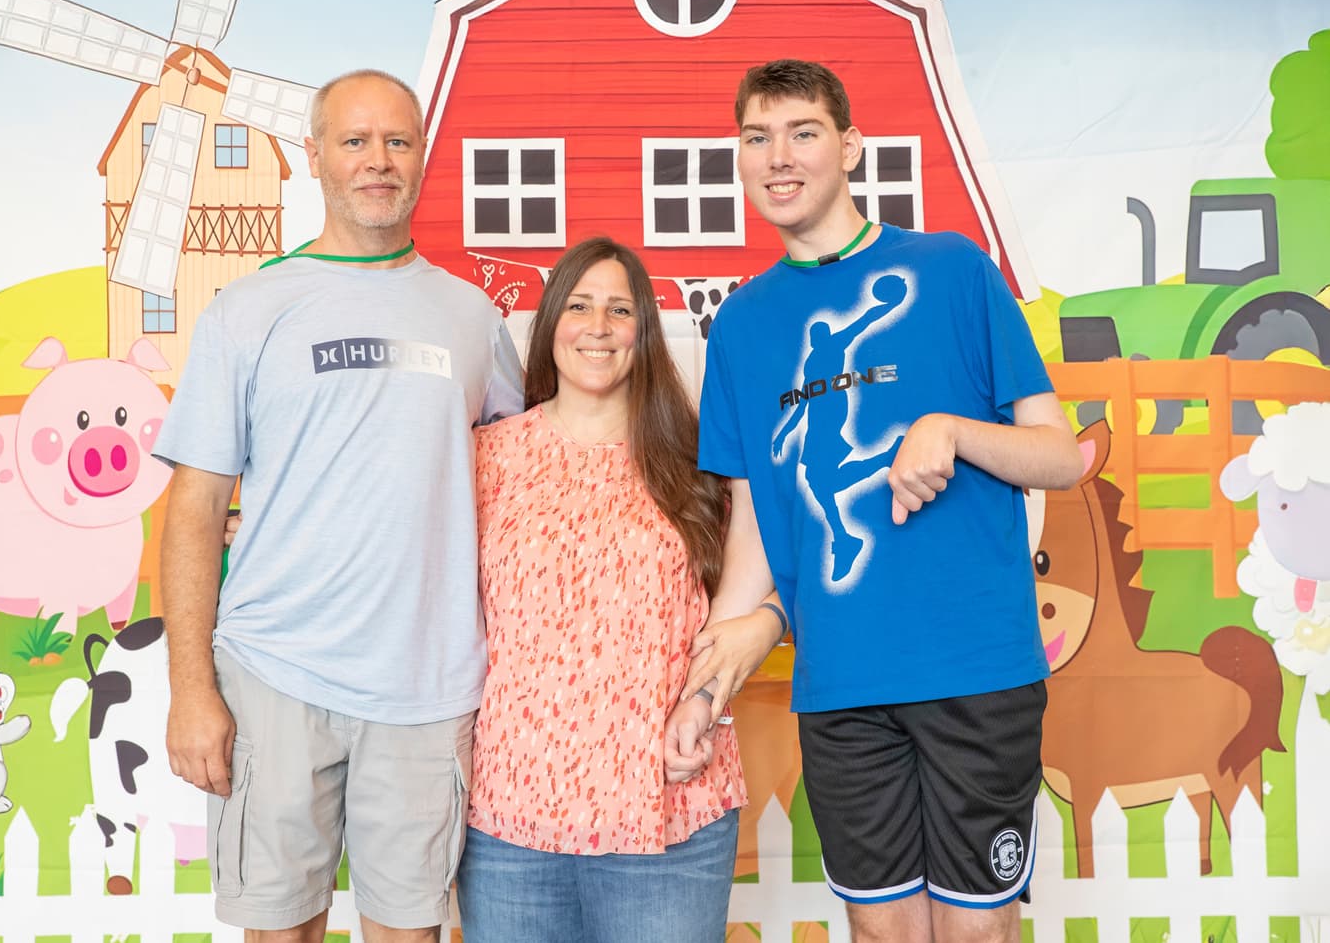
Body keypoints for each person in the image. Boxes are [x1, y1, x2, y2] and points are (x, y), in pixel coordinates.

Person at [669, 59, 1083, 943]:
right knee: (881, 932)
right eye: (756, 138)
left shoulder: (953, 269)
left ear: (850, 147)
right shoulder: (742, 325)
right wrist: (701, 690)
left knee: (975, 931)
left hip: (977, 672)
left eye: (802, 132)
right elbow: (752, 526)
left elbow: (1061, 458)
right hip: (842, 685)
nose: (778, 157)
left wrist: (954, 430)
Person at [155, 69, 523, 943]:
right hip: (277, 675)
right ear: (314, 155)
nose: (378, 161)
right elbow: (195, 509)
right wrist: (190, 690)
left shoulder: (472, 318)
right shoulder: (247, 311)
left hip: (428, 686)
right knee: (279, 929)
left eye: (397, 141)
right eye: (355, 141)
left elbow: (521, 468)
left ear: (422, 157)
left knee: (412, 931)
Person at [454, 237, 749, 943]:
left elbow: (756, 599)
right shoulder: (482, 458)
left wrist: (706, 701)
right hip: (511, 825)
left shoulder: (698, 462)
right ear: (550, 320)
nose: (599, 324)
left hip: (671, 811)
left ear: (643, 332)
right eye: (580, 305)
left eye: (621, 309)